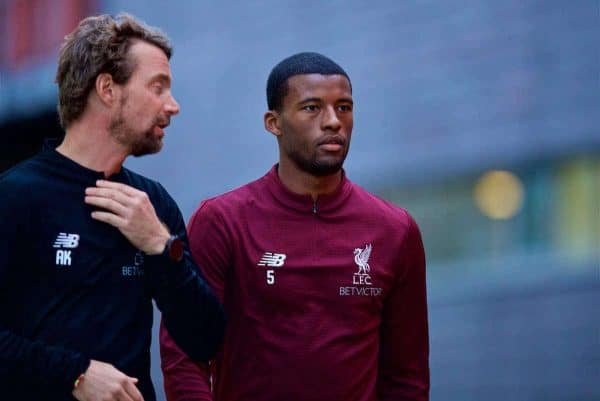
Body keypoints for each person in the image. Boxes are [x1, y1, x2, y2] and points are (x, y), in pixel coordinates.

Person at [160, 52, 429, 401]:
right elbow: (184, 354)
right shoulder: (223, 220)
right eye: (312, 108)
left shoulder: (395, 230)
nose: (333, 121)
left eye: (344, 107)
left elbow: (407, 376)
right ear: (274, 122)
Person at [0, 14, 226, 401]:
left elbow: (205, 341)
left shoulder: (153, 204)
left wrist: (159, 245)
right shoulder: (18, 195)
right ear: (107, 88)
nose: (173, 106)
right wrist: (75, 375)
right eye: (158, 87)